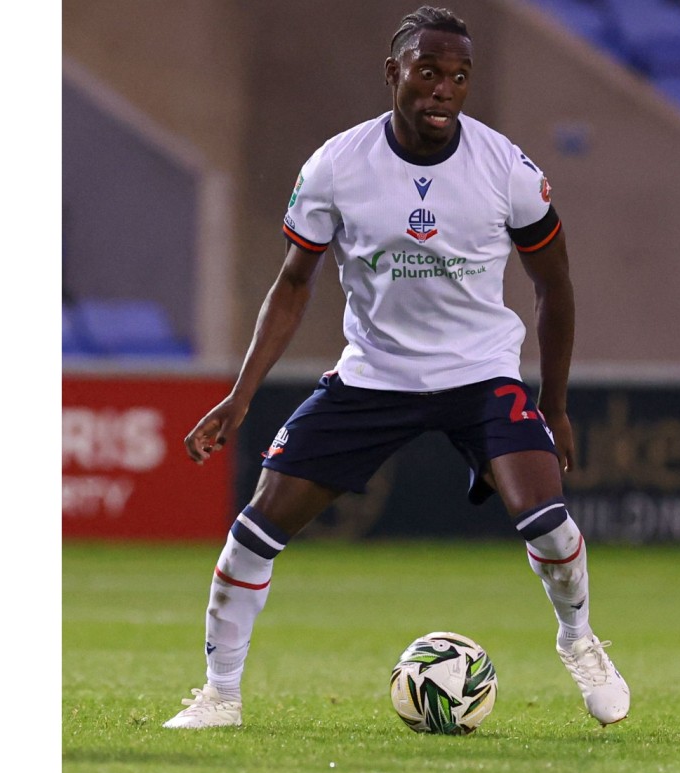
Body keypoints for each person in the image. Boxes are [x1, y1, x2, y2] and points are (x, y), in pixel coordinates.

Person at [163, 5, 630, 730]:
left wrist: (556, 405)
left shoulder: (508, 169)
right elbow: (293, 284)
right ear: (394, 74)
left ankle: (579, 639)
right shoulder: (337, 166)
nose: (445, 88)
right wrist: (240, 394)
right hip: (373, 376)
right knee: (254, 531)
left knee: (549, 524)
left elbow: (554, 286)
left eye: (460, 77)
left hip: (481, 375)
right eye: (429, 72)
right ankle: (220, 695)